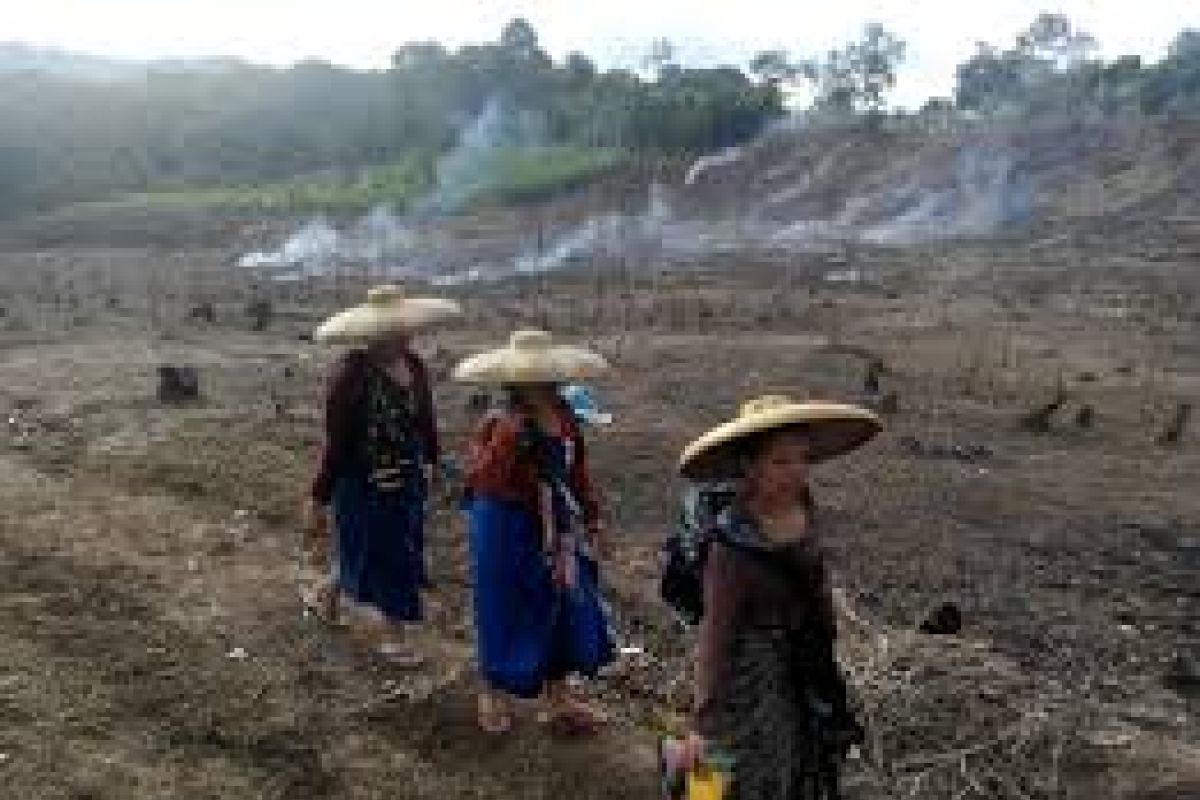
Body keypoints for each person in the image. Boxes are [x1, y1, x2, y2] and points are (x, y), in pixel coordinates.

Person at [674, 395, 881, 800]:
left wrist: (825, 636)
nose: (795, 472)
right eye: (780, 462)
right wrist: (704, 718)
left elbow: (816, 575)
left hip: (803, 655)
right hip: (749, 667)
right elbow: (716, 636)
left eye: (802, 459)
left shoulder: (804, 506)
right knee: (732, 760)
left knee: (805, 752)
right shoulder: (731, 545)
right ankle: (682, 773)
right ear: (750, 466)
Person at [454, 329, 615, 735]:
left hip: (556, 524)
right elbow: (486, 482)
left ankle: (557, 697)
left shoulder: (564, 417)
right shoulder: (502, 426)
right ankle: (492, 691)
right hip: (506, 525)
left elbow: (576, 473)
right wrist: (511, 445)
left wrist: (593, 520)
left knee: (563, 603)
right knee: (506, 606)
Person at [304, 284, 460, 664]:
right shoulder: (350, 376)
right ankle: (394, 637)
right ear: (374, 334)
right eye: (395, 330)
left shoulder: (414, 364)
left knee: (393, 547)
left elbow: (426, 419)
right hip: (362, 480)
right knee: (388, 553)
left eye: (406, 328)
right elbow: (336, 443)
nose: (405, 335)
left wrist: (435, 461)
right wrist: (318, 498)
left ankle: (328, 593)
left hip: (407, 475)